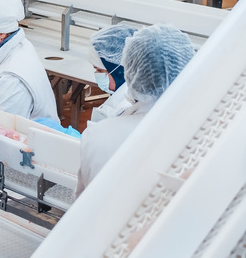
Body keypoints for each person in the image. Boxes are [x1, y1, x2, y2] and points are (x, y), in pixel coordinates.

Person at [77, 24, 195, 196]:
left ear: (129, 70)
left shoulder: (99, 137)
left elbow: (83, 199)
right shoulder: (204, 132)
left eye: (98, 69)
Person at [88, 24, 137, 124]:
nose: (97, 74)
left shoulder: (124, 109)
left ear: (119, 71)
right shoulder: (127, 94)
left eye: (100, 71)